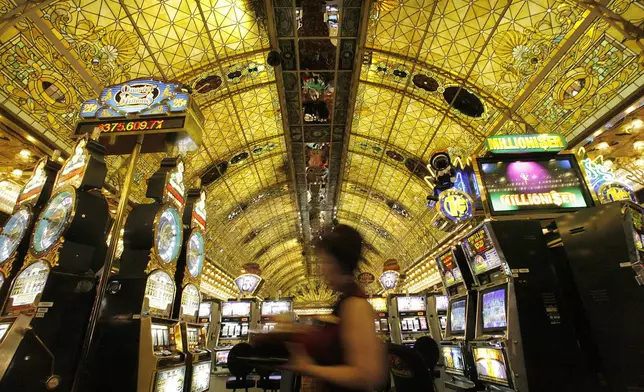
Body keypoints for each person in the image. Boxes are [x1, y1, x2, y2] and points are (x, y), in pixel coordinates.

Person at [283, 225, 387, 392]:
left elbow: (366, 375)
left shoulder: (355, 305)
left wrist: (309, 368)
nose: (321, 270)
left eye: (324, 262)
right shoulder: (343, 302)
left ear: (337, 262)